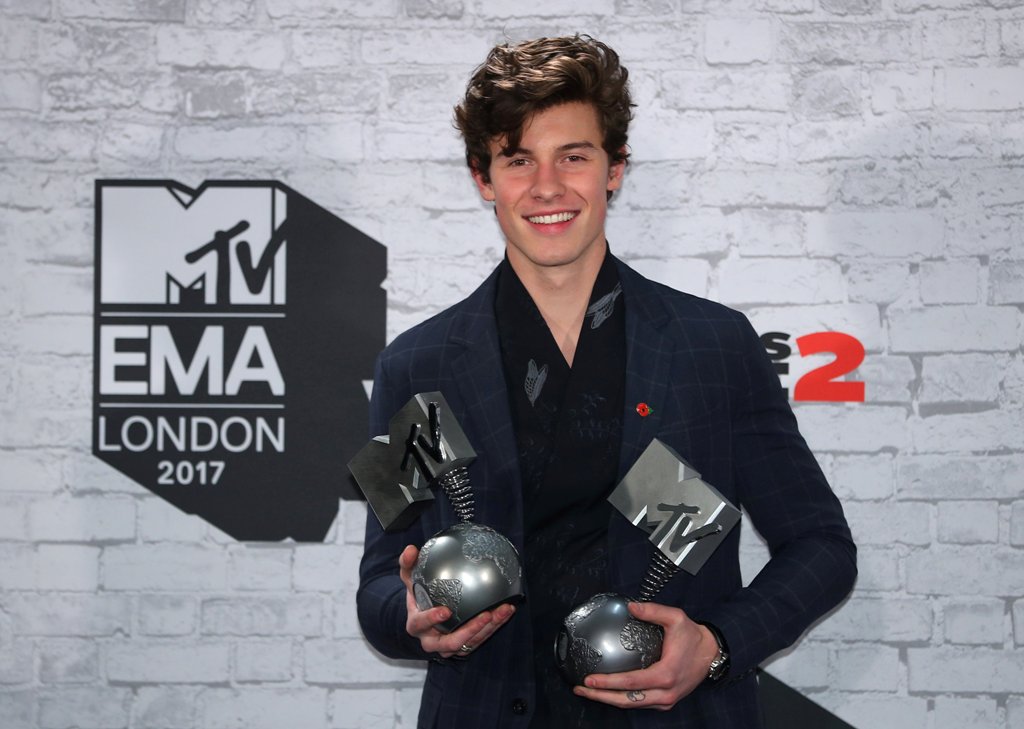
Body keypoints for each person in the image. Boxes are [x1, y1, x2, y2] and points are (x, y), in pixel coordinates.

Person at [357, 34, 857, 728]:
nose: (547, 187)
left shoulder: (713, 347)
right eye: (517, 159)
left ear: (615, 168)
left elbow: (822, 549)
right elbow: (380, 578)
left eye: (574, 156)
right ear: (482, 177)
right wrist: (412, 616)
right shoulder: (417, 365)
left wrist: (715, 646)